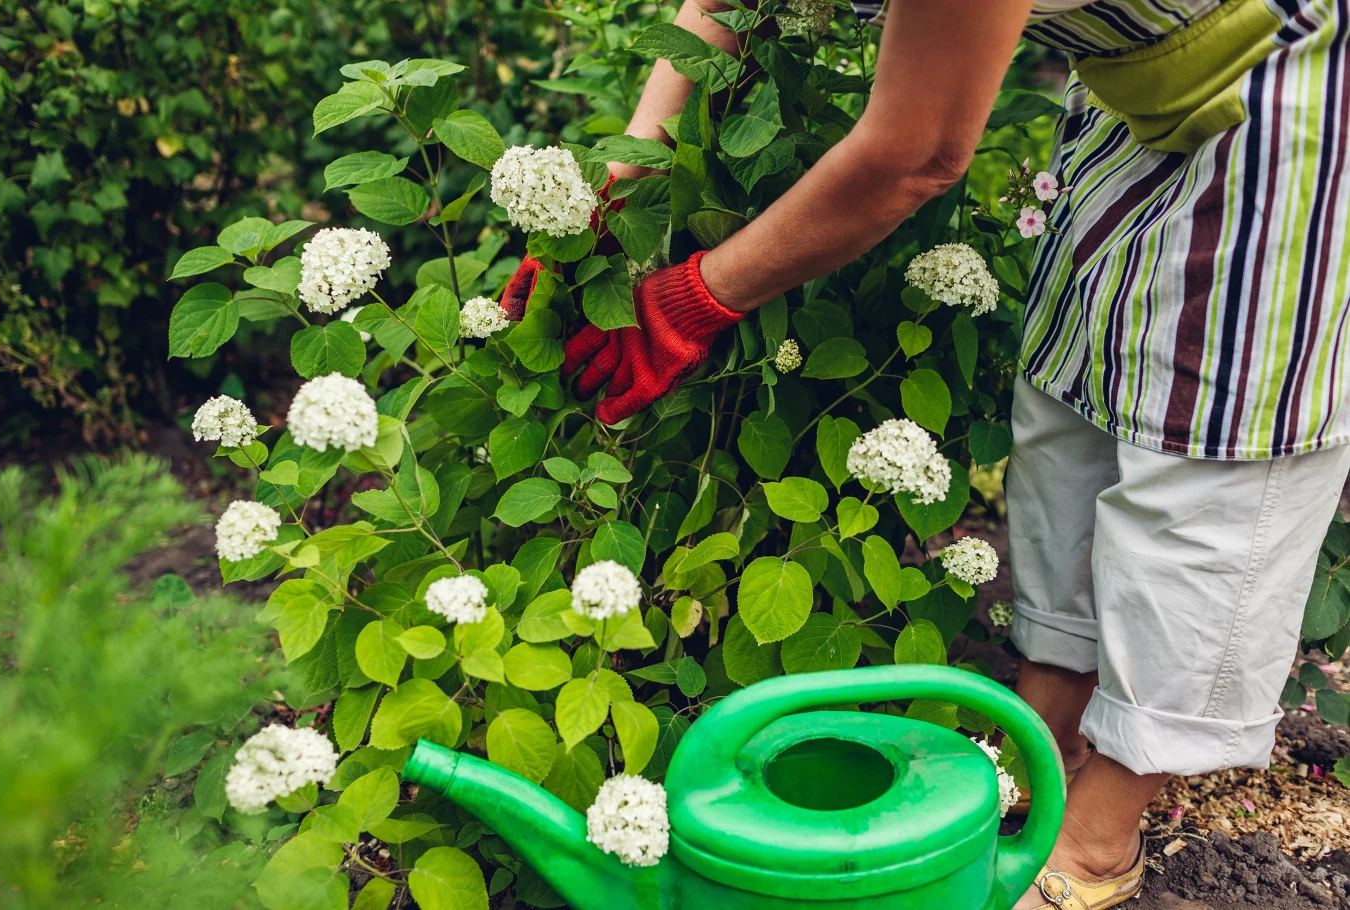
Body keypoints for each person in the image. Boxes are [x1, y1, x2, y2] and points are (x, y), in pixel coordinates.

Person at [504, 1, 1350, 906]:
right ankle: (1041, 739)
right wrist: (611, 191)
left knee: (1211, 447)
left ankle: (1097, 838)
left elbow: (919, 151)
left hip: (1295, 91)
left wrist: (699, 298)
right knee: (1073, 402)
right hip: (1133, 87)